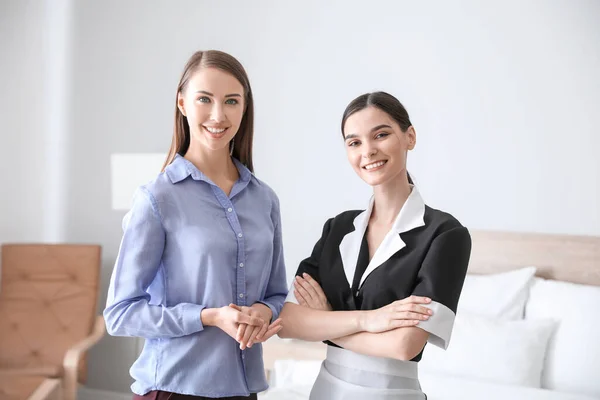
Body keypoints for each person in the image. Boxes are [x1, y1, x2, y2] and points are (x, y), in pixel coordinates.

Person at [104, 50, 288, 400]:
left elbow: (276, 293)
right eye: (205, 99)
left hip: (244, 389)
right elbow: (120, 314)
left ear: (244, 108)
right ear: (182, 103)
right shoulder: (157, 199)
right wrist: (208, 317)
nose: (218, 115)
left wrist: (263, 311)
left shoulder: (265, 200)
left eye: (231, 101)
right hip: (174, 389)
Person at [278, 91, 472, 399]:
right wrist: (370, 320)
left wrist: (326, 320)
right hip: (326, 390)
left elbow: (403, 345)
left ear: (410, 137)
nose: (367, 151)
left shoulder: (445, 235)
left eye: (380, 135)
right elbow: (287, 322)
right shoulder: (338, 228)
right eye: (354, 142)